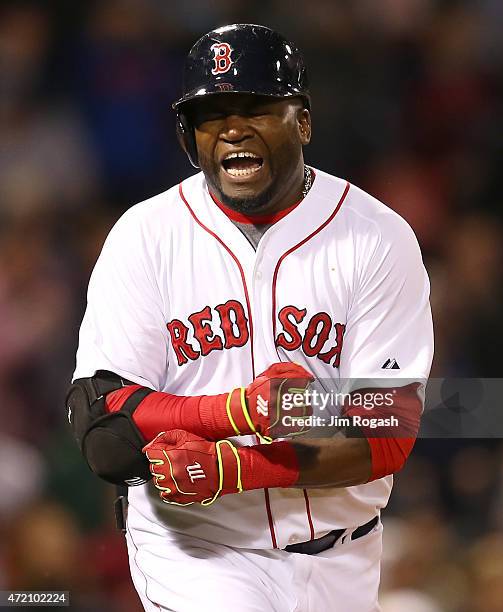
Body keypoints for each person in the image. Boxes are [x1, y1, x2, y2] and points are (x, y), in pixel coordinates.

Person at [68, 24, 433, 612]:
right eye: (212, 113)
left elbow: (389, 427)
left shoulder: (377, 236)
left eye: (257, 107)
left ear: (304, 122)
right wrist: (234, 413)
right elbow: (103, 420)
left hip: (345, 557)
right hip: (196, 548)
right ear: (190, 136)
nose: (233, 127)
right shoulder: (147, 234)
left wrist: (235, 465)